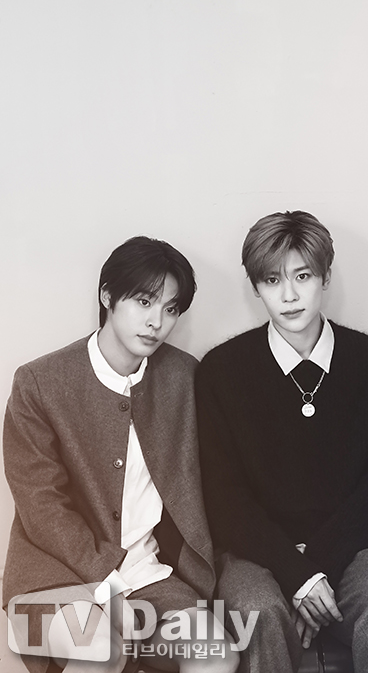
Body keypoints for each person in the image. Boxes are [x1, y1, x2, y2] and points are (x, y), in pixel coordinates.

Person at [196, 210, 368, 673]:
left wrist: (314, 571)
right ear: (256, 287)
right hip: (256, 554)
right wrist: (297, 575)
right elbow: (225, 499)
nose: (289, 295)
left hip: (353, 550)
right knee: (259, 612)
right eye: (272, 280)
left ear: (325, 277)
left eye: (302, 276)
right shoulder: (221, 370)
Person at [3, 236, 238, 673]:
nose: (156, 322)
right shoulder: (39, 383)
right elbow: (42, 506)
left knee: (218, 656)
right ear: (107, 295)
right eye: (144, 302)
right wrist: (107, 587)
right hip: (54, 577)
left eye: (170, 309)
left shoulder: (183, 377)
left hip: (148, 575)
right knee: (102, 652)